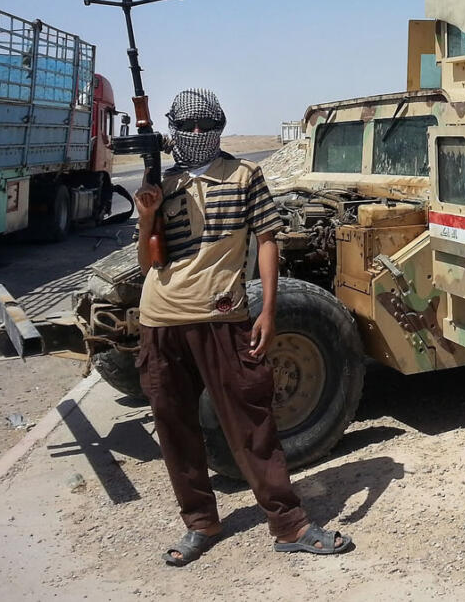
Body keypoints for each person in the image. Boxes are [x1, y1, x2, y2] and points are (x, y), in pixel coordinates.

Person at [134, 88, 353, 565]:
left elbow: (267, 240)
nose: (196, 134)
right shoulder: (161, 185)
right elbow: (148, 260)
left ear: (219, 126)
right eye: (187, 126)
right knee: (174, 426)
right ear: (173, 130)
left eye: (206, 125)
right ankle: (200, 523)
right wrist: (147, 213)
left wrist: (269, 311)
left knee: (252, 423)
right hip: (160, 320)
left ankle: (289, 524)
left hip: (221, 318)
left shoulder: (244, 175)